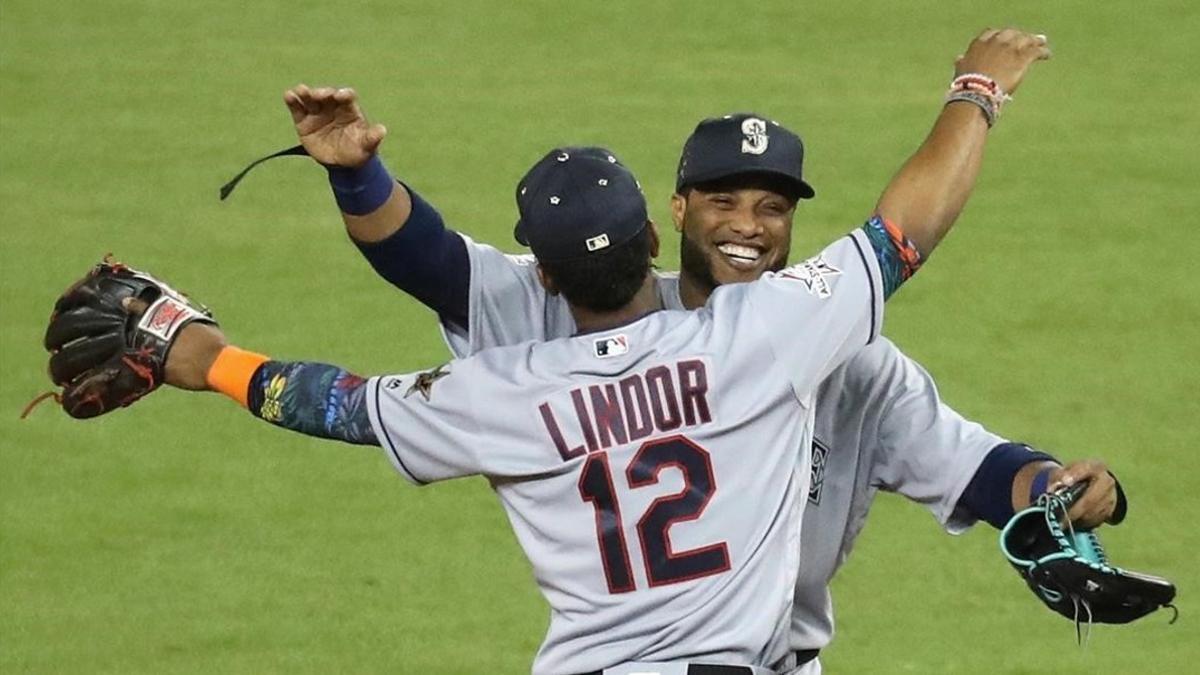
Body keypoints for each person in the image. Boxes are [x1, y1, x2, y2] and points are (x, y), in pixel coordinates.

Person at [278, 28, 1120, 673]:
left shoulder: (847, 359)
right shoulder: (584, 292)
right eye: (723, 200)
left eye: (773, 207)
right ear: (673, 214)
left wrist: (1054, 489)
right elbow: (429, 259)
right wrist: (357, 175)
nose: (748, 226)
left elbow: (978, 467)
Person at [156, 129, 955, 674]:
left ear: (540, 273)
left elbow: (335, 403)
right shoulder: (751, 343)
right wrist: (978, 92)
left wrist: (207, 359)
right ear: (652, 238)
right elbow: (902, 232)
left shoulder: (500, 393)